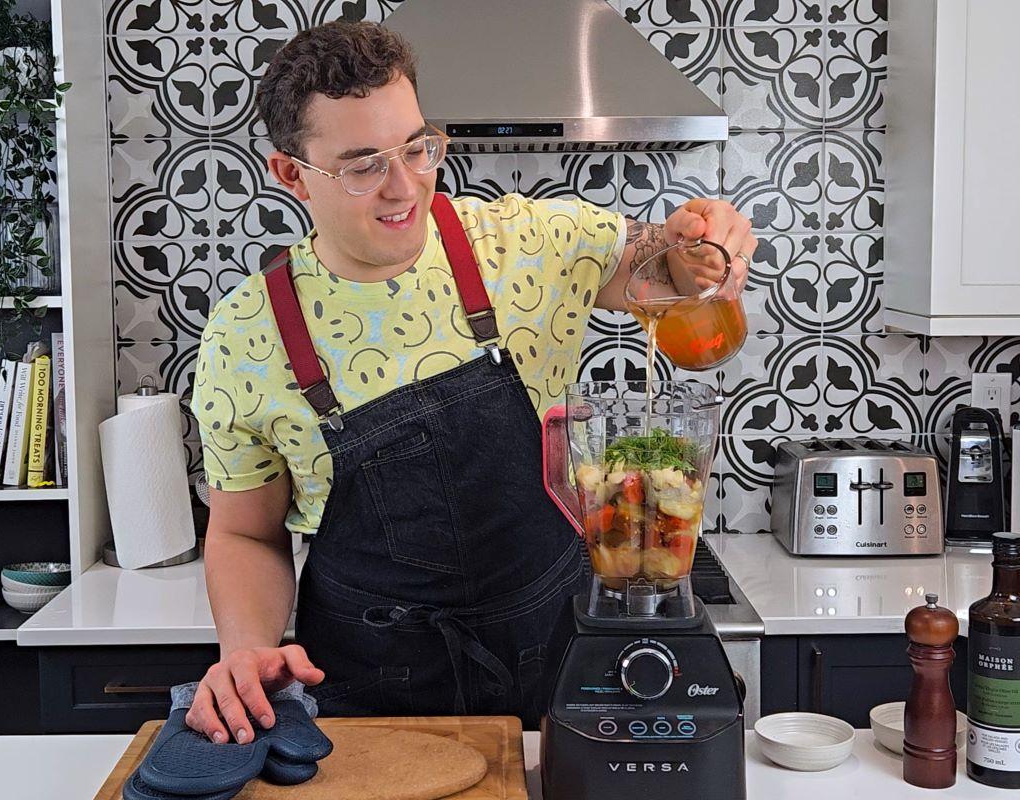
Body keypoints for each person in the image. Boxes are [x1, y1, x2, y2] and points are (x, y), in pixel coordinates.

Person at [185, 20, 756, 746]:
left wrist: (705, 242)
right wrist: (245, 651)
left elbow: (670, 275)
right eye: (363, 166)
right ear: (291, 174)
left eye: (418, 148)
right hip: (370, 696)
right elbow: (243, 533)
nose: (405, 188)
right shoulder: (248, 334)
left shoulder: (530, 243)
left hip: (557, 670)